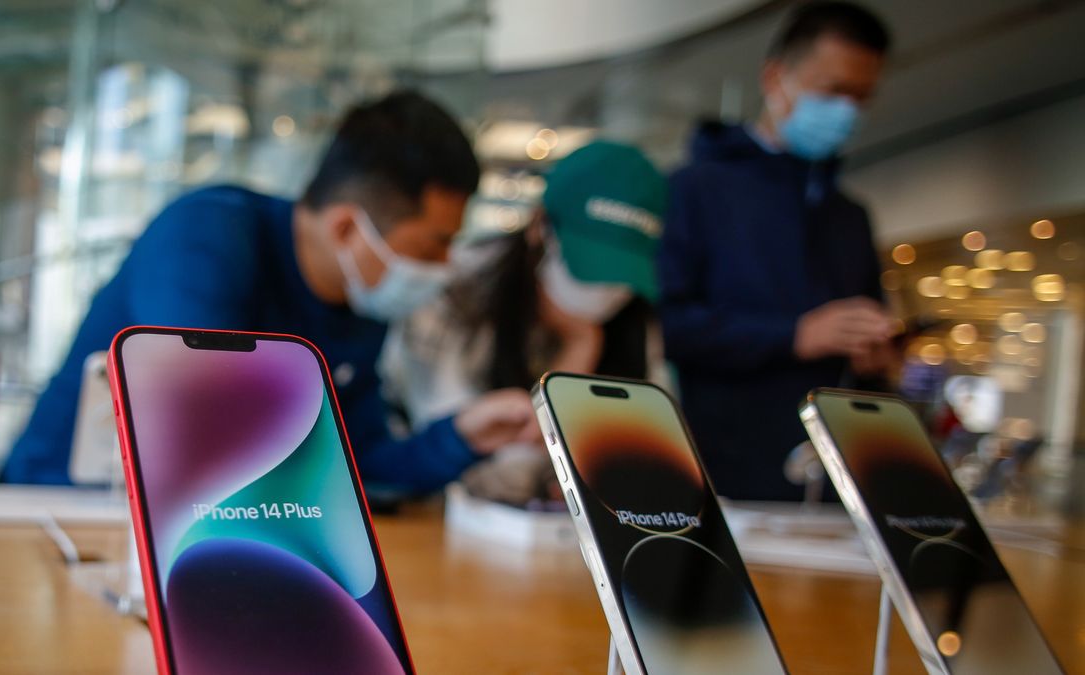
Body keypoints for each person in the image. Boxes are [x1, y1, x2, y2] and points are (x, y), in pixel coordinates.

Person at [2, 90, 541, 494]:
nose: (445, 267)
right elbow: (208, 429)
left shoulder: (361, 306)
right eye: (433, 246)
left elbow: (363, 468)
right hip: (56, 510)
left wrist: (463, 437)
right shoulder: (207, 237)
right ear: (348, 230)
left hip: (202, 537)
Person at [658, 2, 896, 500]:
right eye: (834, 91)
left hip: (832, 477)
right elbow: (672, 328)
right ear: (776, 78)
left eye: (861, 97)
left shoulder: (850, 214)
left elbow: (868, 339)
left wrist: (877, 354)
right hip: (725, 473)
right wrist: (794, 335)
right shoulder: (693, 190)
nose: (847, 111)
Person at [380, 141, 667, 504]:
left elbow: (653, 466)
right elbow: (478, 477)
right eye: (589, 267)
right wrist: (578, 350)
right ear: (539, 228)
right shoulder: (453, 291)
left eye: (621, 274)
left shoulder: (635, 315)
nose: (607, 289)